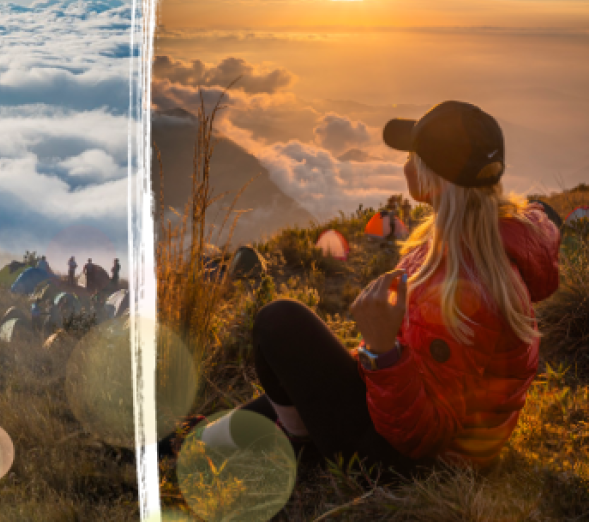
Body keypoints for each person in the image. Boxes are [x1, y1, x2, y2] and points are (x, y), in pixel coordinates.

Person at [231, 101, 559, 475]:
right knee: (258, 406)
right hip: (401, 408)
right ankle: (196, 440)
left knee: (279, 324)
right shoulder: (467, 239)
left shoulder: (465, 285)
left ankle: (301, 451)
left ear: (434, 176)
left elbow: (423, 438)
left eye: (412, 155)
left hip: (412, 460)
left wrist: (381, 350)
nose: (405, 164)